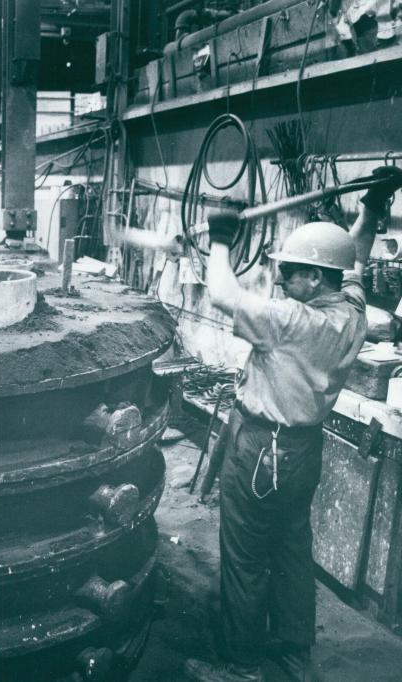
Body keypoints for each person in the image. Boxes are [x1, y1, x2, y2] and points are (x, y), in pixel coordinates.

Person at [184, 165, 402, 682]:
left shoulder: (291, 321)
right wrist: (373, 204)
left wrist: (219, 241)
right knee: (290, 553)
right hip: (302, 452)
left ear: (316, 278)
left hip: (260, 448)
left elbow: (224, 295)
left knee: (244, 557)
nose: (280, 278)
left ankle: (240, 667)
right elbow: (356, 249)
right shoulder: (351, 308)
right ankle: (292, 657)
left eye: (291, 271)